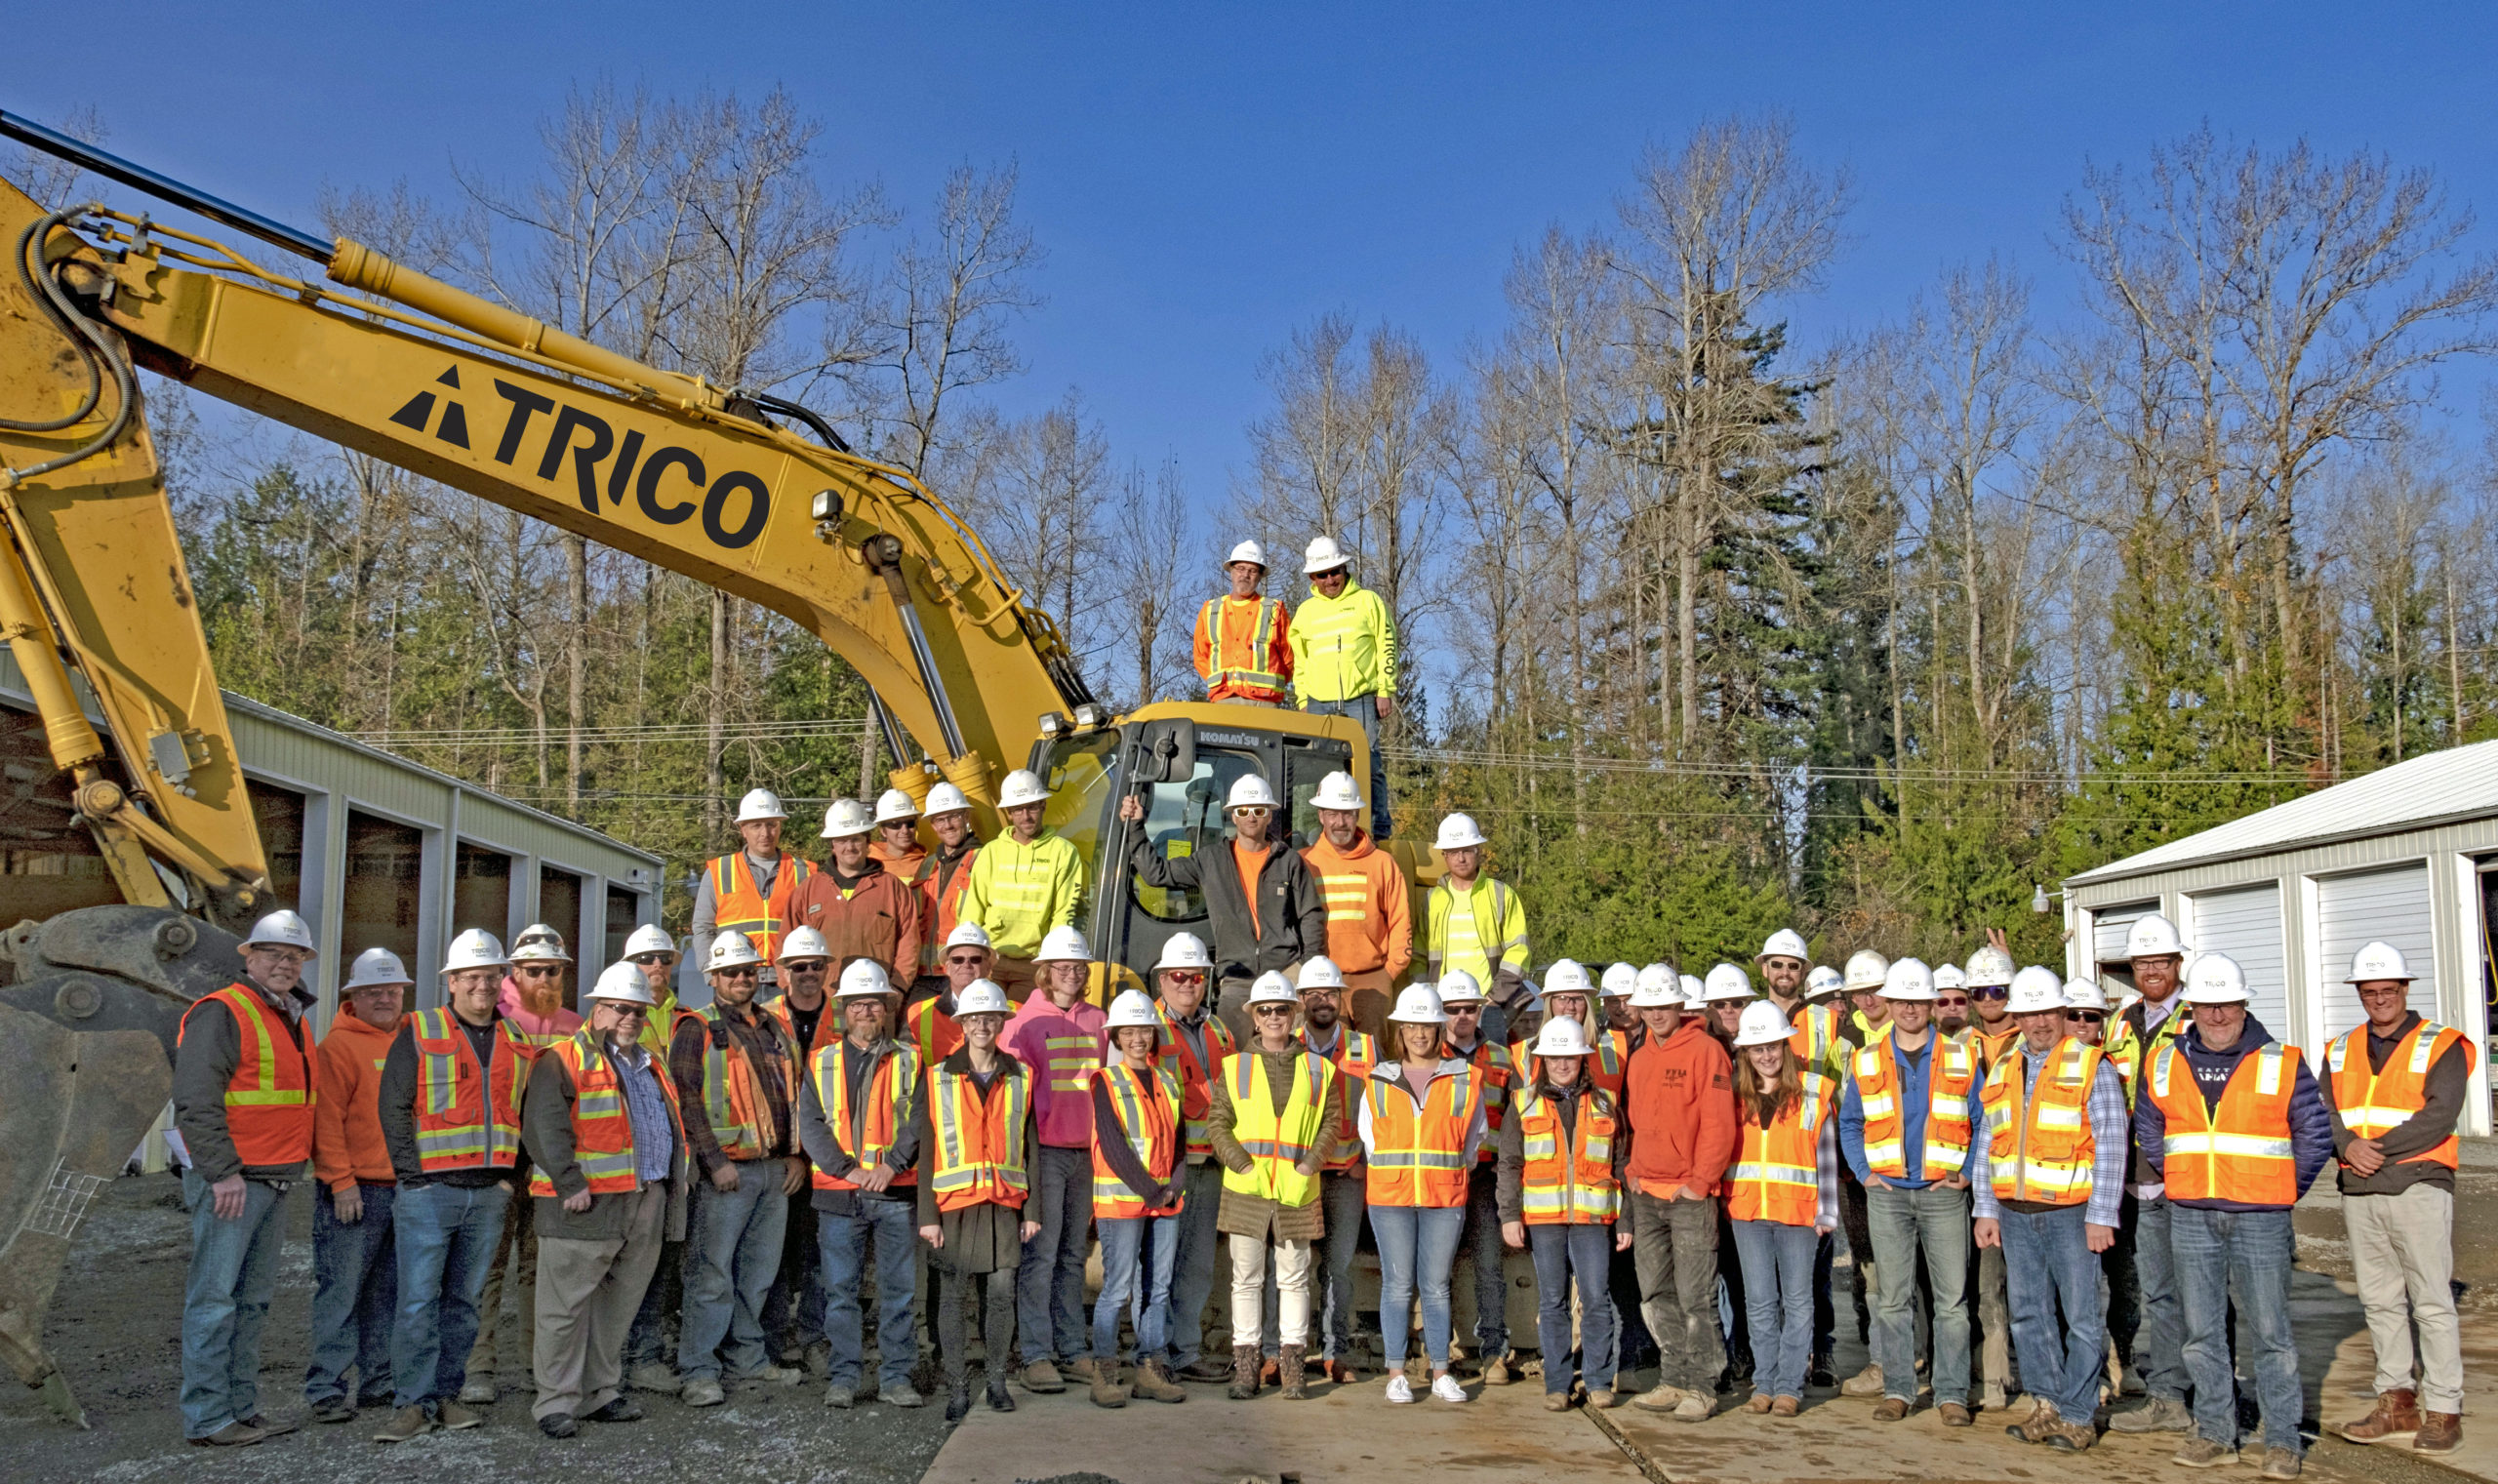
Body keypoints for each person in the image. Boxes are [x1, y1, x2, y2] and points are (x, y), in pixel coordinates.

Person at [2139, 952, 2333, 1478]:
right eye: (2206, 1005)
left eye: (2227, 1005)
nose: (2217, 1015)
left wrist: (2283, 1190)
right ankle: (2216, 1432)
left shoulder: (2281, 1060)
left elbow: (2315, 1134)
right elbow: (2151, 1127)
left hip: (2260, 1217)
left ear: (2244, 1005)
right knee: (2200, 1332)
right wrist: (2181, 1177)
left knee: (2271, 1334)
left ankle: (2283, 1441)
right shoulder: (2163, 1060)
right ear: (2192, 1007)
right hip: (2191, 1215)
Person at [371, 928, 538, 1443]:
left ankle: (447, 1395)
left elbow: (528, 1115)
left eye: (491, 976)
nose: (483, 986)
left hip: (489, 1193)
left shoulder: (518, 1041)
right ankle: (411, 1403)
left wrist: (512, 1177)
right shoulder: (419, 1030)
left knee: (463, 1302)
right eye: (472, 977)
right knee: (418, 1301)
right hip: (430, 1193)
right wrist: (411, 1177)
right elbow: (393, 1106)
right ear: (452, 982)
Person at [172, 909, 323, 1448]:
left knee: (251, 1301)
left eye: (295, 956)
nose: (285, 963)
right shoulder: (222, 1012)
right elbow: (194, 1099)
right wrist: (222, 1173)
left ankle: (240, 1406)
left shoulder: (288, 1014)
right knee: (215, 1301)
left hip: (274, 1179)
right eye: (275, 954)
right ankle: (209, 1417)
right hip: (234, 1184)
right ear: (250, 957)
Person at [520, 961, 688, 1439]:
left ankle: (600, 1392)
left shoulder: (651, 1064)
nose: (630, 1018)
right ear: (597, 1010)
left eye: (639, 1011)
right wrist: (570, 1183)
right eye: (620, 1009)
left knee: (618, 1306)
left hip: (644, 1198)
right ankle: (555, 1401)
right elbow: (544, 1127)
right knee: (564, 1308)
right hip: (584, 1204)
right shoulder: (561, 1059)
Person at [1971, 966, 2129, 1454]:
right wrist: (1985, 1207)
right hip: (2014, 1213)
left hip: (2071, 1214)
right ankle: (2046, 1404)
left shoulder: (2091, 1064)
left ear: (2062, 1012)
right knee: (2028, 1315)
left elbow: (2113, 1142)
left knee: (2081, 1317)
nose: (2040, 1022)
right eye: (2030, 1013)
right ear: (2016, 1016)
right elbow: (1987, 1143)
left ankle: (2079, 1414)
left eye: (2048, 1012)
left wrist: (2102, 1214)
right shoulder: (2002, 1067)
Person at [2325, 942, 2471, 1455]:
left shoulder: (2442, 1044)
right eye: (2370, 991)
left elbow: (2441, 1113)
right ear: (2359, 993)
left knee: (2431, 1301)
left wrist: (2374, 1151)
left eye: (2389, 990)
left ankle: (2445, 1409)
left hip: (2418, 1183)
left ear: (2405, 989)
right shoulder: (2340, 1048)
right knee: (2381, 1301)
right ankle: (2396, 1401)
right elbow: (2328, 1111)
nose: (2380, 999)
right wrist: (2347, 1146)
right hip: (2359, 1188)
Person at [1838, 958, 1981, 1426]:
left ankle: (1952, 1393)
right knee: (1894, 1300)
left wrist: (1965, 1171)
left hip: (1944, 1194)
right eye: (1902, 1001)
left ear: (1931, 1004)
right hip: (1888, 1195)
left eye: (1919, 1001)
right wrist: (1864, 1172)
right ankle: (1899, 1389)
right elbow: (1851, 1121)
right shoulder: (1867, 1059)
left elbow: (1982, 1121)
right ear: (1891, 1003)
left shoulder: (1962, 1057)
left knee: (1951, 1302)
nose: (1910, 1009)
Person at [670, 931, 806, 1406]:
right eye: (731, 972)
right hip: (727, 1174)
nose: (742, 978)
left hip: (773, 1170)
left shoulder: (773, 1026)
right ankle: (699, 1369)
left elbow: (795, 1096)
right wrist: (714, 1162)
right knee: (711, 1274)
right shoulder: (697, 1028)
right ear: (712, 977)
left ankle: (747, 1360)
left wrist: (795, 1154)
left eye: (749, 971)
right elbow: (686, 1101)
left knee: (757, 1274)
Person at [1207, 971, 1343, 1400]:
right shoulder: (1234, 1067)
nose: (1273, 1017)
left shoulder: (1321, 1069)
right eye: (1264, 1010)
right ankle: (1246, 1369)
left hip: (1296, 1192)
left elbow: (1332, 1123)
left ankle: (1293, 1368)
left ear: (1293, 1013)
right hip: (1246, 1191)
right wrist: (1242, 1165)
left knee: (1295, 1280)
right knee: (1245, 1280)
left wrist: (1308, 1167)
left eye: (1281, 1009)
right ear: (1253, 1016)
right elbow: (1218, 1123)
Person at [464, 926, 583, 1406]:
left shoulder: (576, 1026)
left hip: (552, 1168)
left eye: (553, 970)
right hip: (502, 1165)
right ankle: (478, 1367)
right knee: (487, 1269)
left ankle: (541, 1367)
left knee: (540, 1272)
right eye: (533, 970)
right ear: (515, 972)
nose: (544, 978)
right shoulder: (493, 1020)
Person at [800, 958, 924, 1409]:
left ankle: (896, 1378)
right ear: (844, 1009)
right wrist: (848, 1170)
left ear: (888, 1008)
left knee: (898, 1293)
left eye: (874, 1004)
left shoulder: (912, 1059)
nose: (866, 1012)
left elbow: (919, 1120)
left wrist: (890, 1166)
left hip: (895, 1192)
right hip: (838, 1196)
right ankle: (844, 1377)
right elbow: (811, 1125)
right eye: (858, 1004)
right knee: (840, 1293)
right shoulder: (821, 1061)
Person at [916, 978, 1041, 1419]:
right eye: (975, 1018)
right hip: (953, 1209)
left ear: (1002, 1023)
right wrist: (927, 1216)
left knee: (1002, 1296)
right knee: (952, 1299)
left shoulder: (1021, 1076)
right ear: (962, 1024)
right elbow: (928, 1147)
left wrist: (1033, 1210)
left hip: (1005, 1206)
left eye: (990, 1017)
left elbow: (1031, 1146)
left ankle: (995, 1382)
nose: (982, 1025)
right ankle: (956, 1388)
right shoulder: (936, 1078)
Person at [1626, 961, 1739, 1422]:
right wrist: (1633, 1172)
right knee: (1655, 1293)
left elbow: (1718, 1124)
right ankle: (1672, 1378)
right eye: (1648, 1006)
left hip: (1688, 1197)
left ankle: (1703, 1385)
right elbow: (1637, 1124)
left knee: (1697, 1296)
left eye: (1663, 1005)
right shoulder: (1639, 1057)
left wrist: (1698, 1183)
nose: (1656, 1014)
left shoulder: (1707, 1051)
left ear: (1679, 1004)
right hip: (1646, 1193)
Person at [1362, 984, 1487, 1404]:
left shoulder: (1466, 1079)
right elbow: (1370, 1140)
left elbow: (1474, 1139)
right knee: (1397, 1286)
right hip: (1391, 1199)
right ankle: (1396, 1373)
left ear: (1439, 1029)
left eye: (1428, 1025)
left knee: (1435, 1287)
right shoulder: (1378, 1079)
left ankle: (1439, 1373)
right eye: (1412, 1025)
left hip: (1443, 1198)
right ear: (1401, 1029)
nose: (1420, 1033)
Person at [1123, 773, 1326, 1029]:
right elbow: (1156, 873)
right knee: (1233, 1057)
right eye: (1243, 810)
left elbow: (1310, 915)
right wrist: (1135, 827)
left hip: (1286, 973)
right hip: (1237, 977)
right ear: (1233, 816)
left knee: (1291, 1054)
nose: (1250, 816)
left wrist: (1308, 970)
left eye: (1258, 810)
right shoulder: (1211, 860)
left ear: (1269, 815)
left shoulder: (1289, 861)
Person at [997, 924, 1108, 1393]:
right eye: (1062, 966)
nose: (1071, 974)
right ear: (1044, 971)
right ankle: (1036, 1355)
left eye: (1079, 967)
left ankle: (1071, 1351)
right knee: (1040, 1257)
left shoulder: (1100, 1021)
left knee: (1070, 1257)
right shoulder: (1019, 1025)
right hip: (1042, 1155)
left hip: (1086, 1155)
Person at [1500, 1016, 1630, 1412]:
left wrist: (1627, 1220)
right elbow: (1509, 1163)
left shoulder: (1606, 1104)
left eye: (1569, 1057)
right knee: (1553, 1302)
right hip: (1545, 1221)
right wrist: (1509, 1215)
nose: (1562, 1064)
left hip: (1593, 1222)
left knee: (1596, 1299)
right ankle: (1557, 1385)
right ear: (1543, 1060)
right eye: (1554, 1057)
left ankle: (1598, 1381)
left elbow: (1622, 1165)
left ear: (1582, 1059)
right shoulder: (1522, 1104)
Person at [305, 946, 409, 1424]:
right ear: (355, 996)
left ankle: (377, 1383)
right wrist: (340, 1182)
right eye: (374, 991)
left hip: (403, 1189)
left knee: (386, 1293)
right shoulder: (339, 1047)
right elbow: (326, 1122)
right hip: (355, 1193)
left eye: (392, 990)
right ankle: (326, 1388)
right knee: (341, 1291)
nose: (385, 999)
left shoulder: (413, 1040)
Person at [1723, 1000, 1840, 1420]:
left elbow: (1827, 1157)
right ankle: (1765, 1382)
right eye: (1757, 1049)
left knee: (1798, 1301)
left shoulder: (1814, 1091)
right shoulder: (1735, 1097)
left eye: (1773, 1047)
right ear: (1746, 1054)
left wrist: (1827, 1213)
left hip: (1800, 1214)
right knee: (1758, 1302)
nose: (1767, 1056)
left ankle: (1790, 1386)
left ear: (1785, 1047)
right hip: (1748, 1213)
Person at [2105, 914, 2197, 1437]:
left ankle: (2199, 1391)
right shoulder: (2121, 1021)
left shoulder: (2198, 1016)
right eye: (2143, 963)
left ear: (2177, 964)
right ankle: (2166, 1394)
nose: (2152, 970)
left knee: (2192, 1291)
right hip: (2130, 1176)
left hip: (2179, 1177)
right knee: (2153, 1291)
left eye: (2161, 961)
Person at [1089, 988, 1192, 1408]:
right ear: (1116, 1036)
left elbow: (1180, 1141)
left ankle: (1149, 1369)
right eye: (1128, 1031)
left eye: (1144, 1030)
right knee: (1117, 1290)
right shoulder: (1105, 1081)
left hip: (1165, 1201)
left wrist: (1176, 1185)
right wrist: (1154, 1191)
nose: (1137, 1038)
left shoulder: (1168, 1080)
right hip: (1126, 1203)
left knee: (1159, 1288)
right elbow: (1114, 1147)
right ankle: (1104, 1372)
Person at [1148, 932, 1240, 1384]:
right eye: (1179, 976)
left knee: (1198, 1266)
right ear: (1163, 979)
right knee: (1159, 1267)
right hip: (1167, 1167)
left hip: (1210, 1166)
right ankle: (1153, 1356)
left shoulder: (1219, 1029)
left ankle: (1184, 1352)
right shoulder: (1148, 1028)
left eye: (1196, 976)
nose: (1188, 984)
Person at [1432, 969, 1520, 1384]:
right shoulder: (1428, 1057)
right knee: (1437, 1267)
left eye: (1469, 1008)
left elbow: (1516, 1124)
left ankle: (1494, 1352)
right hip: (1441, 1177)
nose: (1462, 1016)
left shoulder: (1502, 1058)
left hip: (1486, 1178)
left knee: (1488, 1265)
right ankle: (1439, 1349)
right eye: (1453, 1009)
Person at [1295, 956, 1378, 1384]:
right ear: (1301, 999)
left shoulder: (1365, 1047)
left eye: (1330, 993)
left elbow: (1381, 1110)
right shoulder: (1286, 1042)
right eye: (1314, 994)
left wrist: (1366, 1160)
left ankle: (1334, 1352)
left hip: (1346, 1174)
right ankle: (1285, 1352)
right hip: (1300, 1174)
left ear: (1341, 998)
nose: (1323, 1001)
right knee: (1290, 1268)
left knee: (1338, 1268)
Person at [615, 922, 688, 1392]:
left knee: (663, 1263)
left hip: (672, 1162)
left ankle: (646, 1354)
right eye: (646, 959)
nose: (656, 966)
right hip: (619, 1171)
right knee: (616, 1268)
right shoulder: (609, 1019)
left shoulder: (690, 1019)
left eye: (663, 958)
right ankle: (612, 1359)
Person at [761, 926, 838, 1374]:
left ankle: (814, 1338)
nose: (808, 973)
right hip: (780, 1154)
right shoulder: (764, 1016)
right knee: (770, 1254)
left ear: (828, 969)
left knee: (818, 1255)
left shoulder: (846, 1015)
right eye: (798, 966)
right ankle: (772, 1340)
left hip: (827, 1156)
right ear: (783, 971)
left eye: (816, 965)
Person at [1289, 535, 1398, 838]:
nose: (1330, 579)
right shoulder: (1305, 613)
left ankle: (1378, 831)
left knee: (1370, 765)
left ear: (1344, 569)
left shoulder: (1368, 602)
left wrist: (1384, 689)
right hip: (1318, 703)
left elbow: (1387, 646)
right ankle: (1317, 833)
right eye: (1322, 575)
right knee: (1319, 771)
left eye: (1335, 571)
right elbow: (1300, 661)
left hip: (1360, 699)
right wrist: (1302, 701)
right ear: (1313, 577)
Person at [1300, 770, 1412, 1039]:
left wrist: (1389, 972)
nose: (1340, 822)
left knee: (1374, 1057)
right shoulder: (1304, 863)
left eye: (1347, 813)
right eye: (1333, 813)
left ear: (1358, 815)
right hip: (1322, 982)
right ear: (1321, 816)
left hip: (1372, 978)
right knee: (1325, 1055)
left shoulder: (1382, 863)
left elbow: (1400, 921)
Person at [1958, 941, 2022, 1413]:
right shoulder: (1960, 1045)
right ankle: (1992, 1377)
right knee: (1982, 1286)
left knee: (2027, 1287)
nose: (1989, 999)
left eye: (1998, 989)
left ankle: (2030, 1376)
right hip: (1971, 1180)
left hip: (2022, 1180)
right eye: (1979, 991)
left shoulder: (2037, 1039)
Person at [955, 769, 1083, 1000]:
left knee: (1020, 1028)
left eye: (1032, 807)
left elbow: (1064, 914)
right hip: (991, 961)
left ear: (1043, 806)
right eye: (1018, 809)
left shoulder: (1063, 852)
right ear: (1008, 813)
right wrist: (971, 956)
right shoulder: (991, 852)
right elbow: (973, 909)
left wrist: (1051, 963)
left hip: (1033, 964)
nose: (1026, 816)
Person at [789, 798, 923, 991]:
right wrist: (793, 992)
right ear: (832, 845)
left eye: (855, 839)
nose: (849, 847)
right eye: (842, 840)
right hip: (821, 1003)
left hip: (876, 1002)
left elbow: (908, 946)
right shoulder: (808, 890)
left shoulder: (893, 889)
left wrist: (898, 989)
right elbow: (787, 945)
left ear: (868, 841)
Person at [1425, 813, 1531, 1038]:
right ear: (1444, 855)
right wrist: (1427, 996)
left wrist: (1495, 998)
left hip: (1489, 1006)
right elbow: (1417, 955)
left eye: (1467, 850)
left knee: (1493, 1070)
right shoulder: (1431, 900)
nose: (1461, 858)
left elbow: (1519, 950)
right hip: (1444, 1010)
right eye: (1454, 852)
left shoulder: (1500, 894)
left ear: (1478, 851)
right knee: (1447, 1072)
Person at [692, 787, 814, 979]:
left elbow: (816, 929)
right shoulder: (720, 871)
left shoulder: (804, 872)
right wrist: (710, 971)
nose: (765, 833)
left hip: (788, 979)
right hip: (734, 979)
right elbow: (703, 928)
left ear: (780, 826)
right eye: (756, 825)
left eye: (771, 824)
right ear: (743, 830)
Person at [1195, 538, 1295, 705]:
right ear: (1231, 571)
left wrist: (1269, 686)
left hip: (1265, 702)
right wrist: (1220, 682)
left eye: (1252, 570)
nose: (1245, 575)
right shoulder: (1211, 610)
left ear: (1260, 575)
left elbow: (1289, 658)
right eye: (1240, 568)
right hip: (1224, 699)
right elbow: (1200, 656)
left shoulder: (1274, 609)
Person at [908, 782, 984, 994]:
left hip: (963, 974)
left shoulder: (984, 859)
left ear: (966, 817)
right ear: (933, 825)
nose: (948, 825)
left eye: (954, 816)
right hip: (923, 974)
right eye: (940, 819)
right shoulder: (927, 865)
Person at [1515, 959, 1628, 1099]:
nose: (1570, 1007)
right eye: (1562, 998)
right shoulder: (1524, 1051)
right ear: (1549, 1002)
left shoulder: (1618, 1045)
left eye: (1578, 999)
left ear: (1587, 1003)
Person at [907, 921, 987, 1067]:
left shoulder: (1015, 1015)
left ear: (989, 966)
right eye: (958, 960)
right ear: (947, 968)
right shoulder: (918, 1013)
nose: (966, 965)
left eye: (975, 959)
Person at [869, 787, 927, 879]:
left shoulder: (927, 864)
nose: (905, 831)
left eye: (910, 823)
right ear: (883, 832)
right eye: (895, 825)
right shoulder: (869, 863)